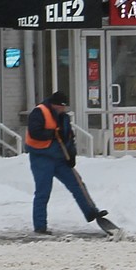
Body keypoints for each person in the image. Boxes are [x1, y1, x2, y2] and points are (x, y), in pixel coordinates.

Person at [25, 91, 107, 234]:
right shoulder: (39, 112)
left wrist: (72, 155)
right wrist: (51, 133)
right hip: (41, 158)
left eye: (64, 107)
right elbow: (34, 132)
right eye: (61, 107)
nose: (63, 110)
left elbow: (69, 138)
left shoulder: (64, 118)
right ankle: (40, 226)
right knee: (43, 192)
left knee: (77, 184)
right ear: (54, 104)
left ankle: (91, 212)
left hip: (60, 158)